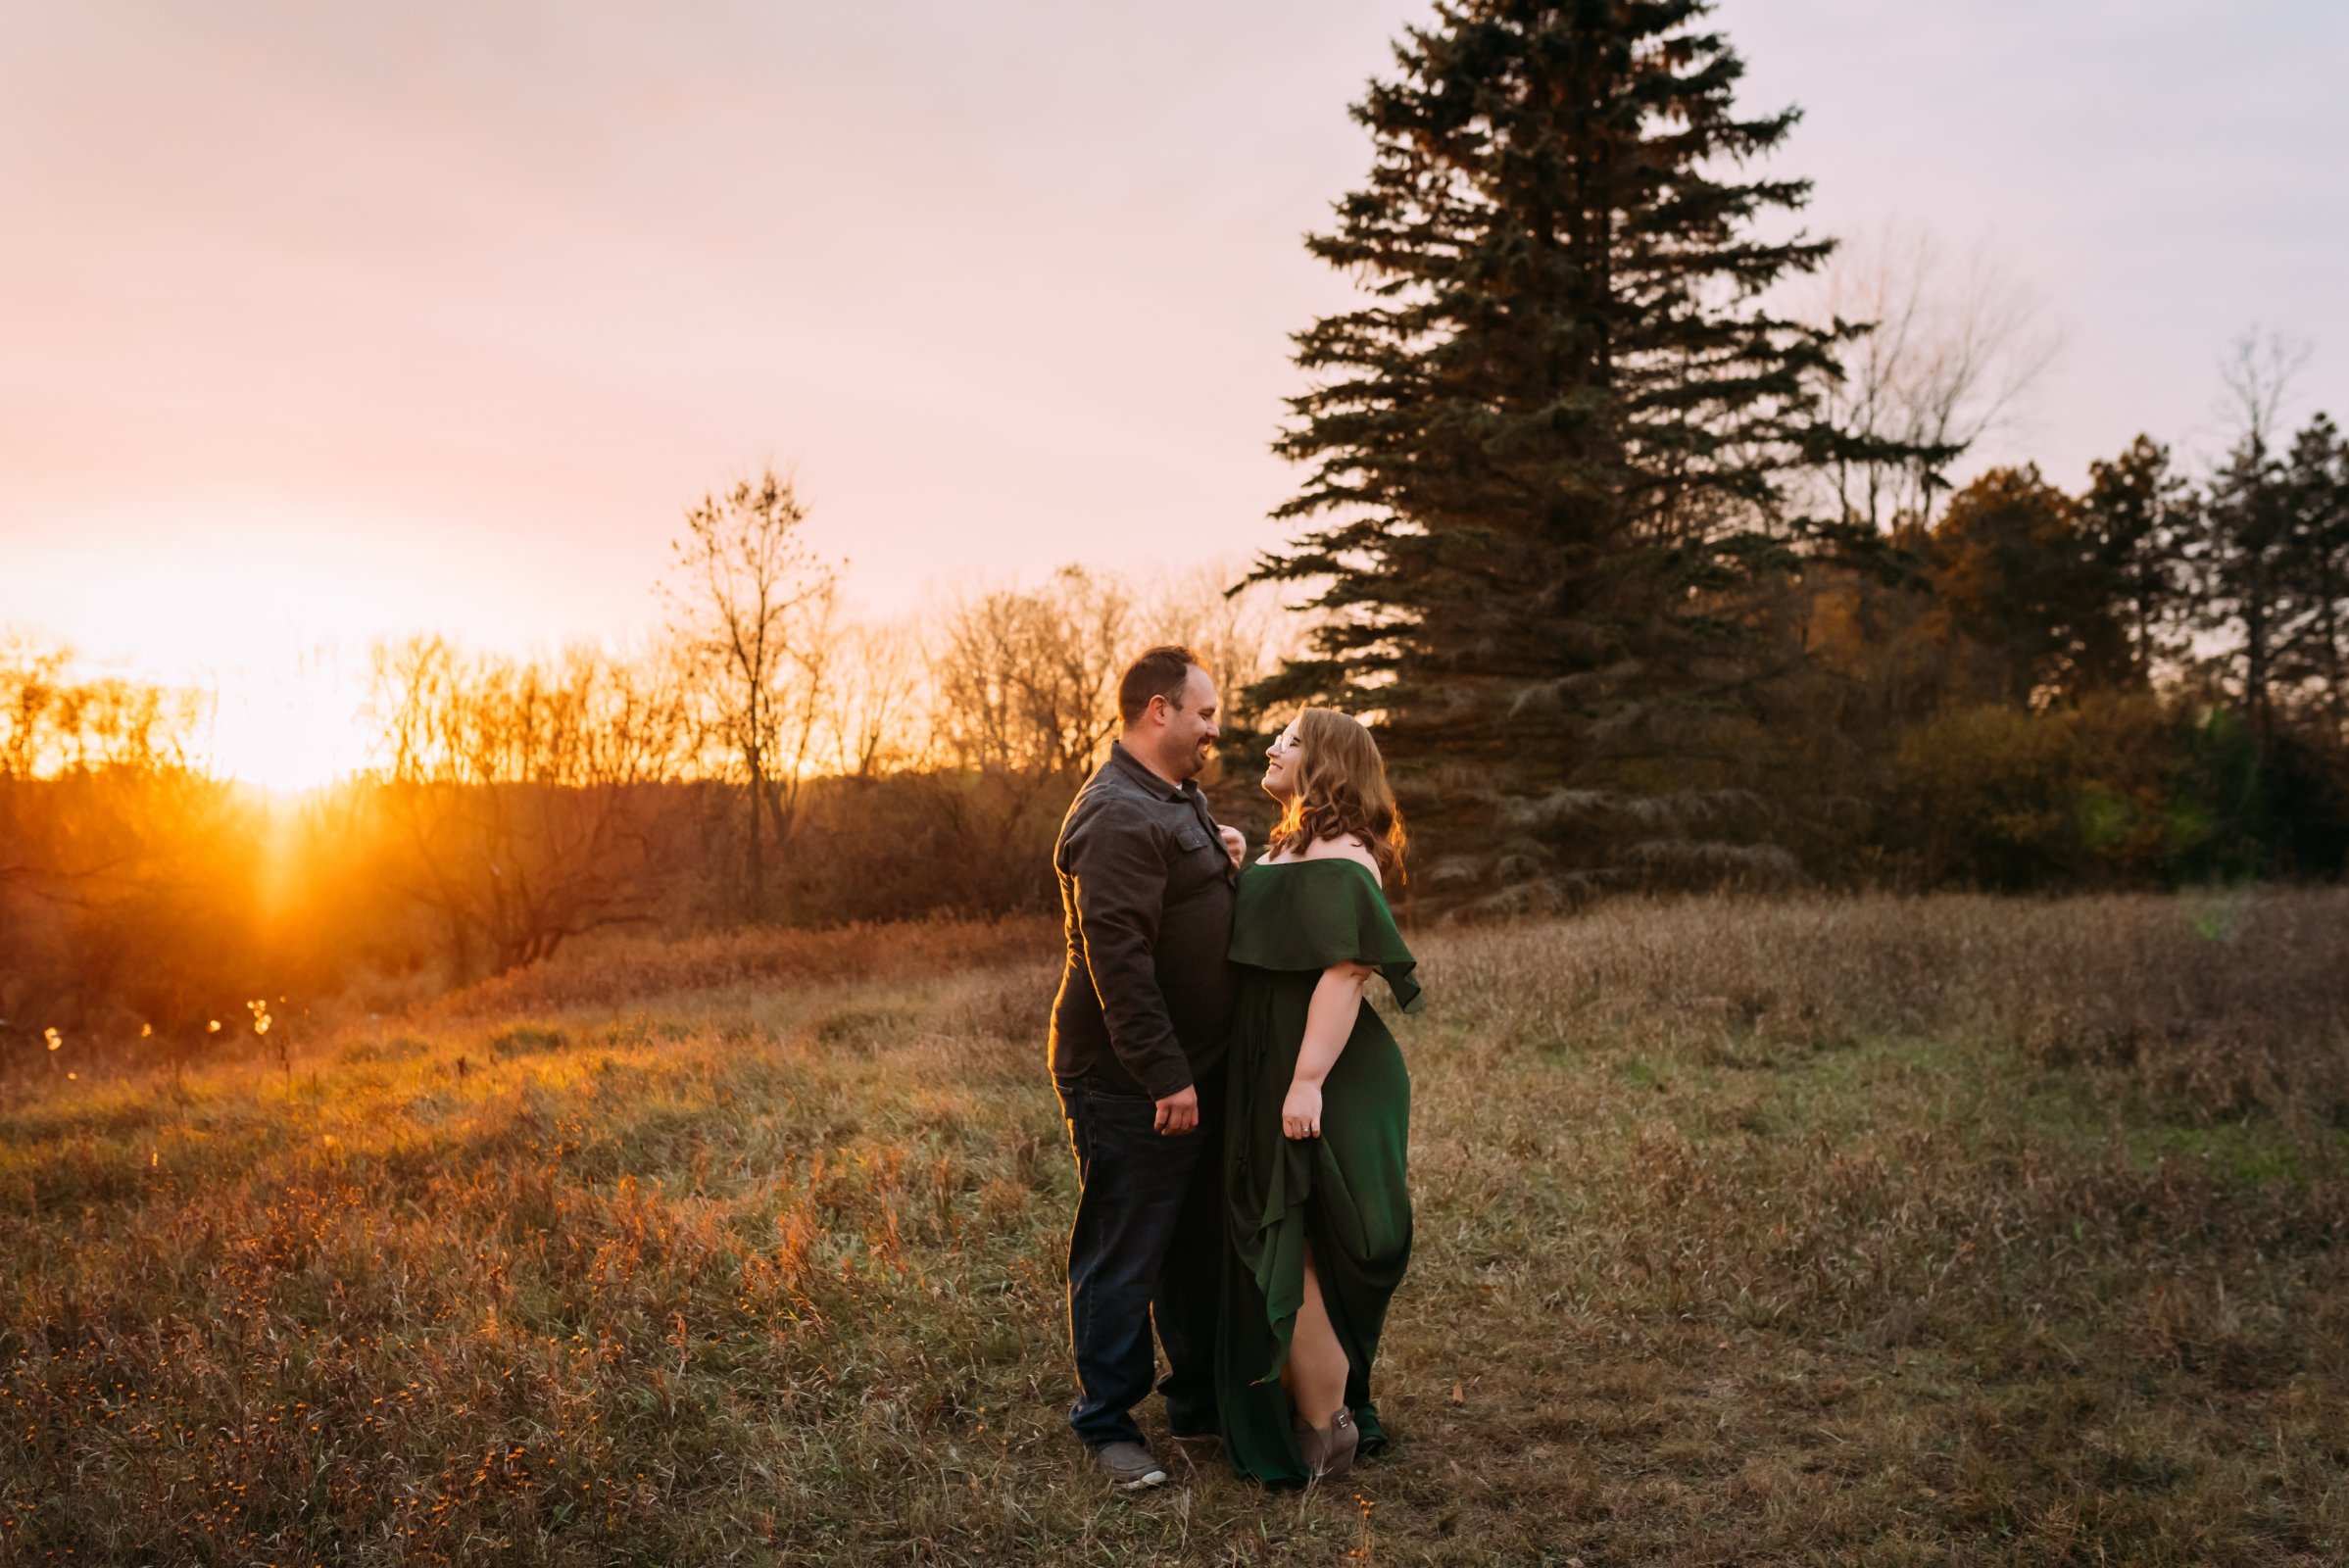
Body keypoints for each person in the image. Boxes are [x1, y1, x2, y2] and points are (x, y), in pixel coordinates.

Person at [1049, 645, 1248, 1491]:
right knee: (1125, 1251)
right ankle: (1106, 1424)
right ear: (1158, 711)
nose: (1215, 728)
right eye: (1203, 713)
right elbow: (1118, 960)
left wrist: (1223, 856)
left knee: (1193, 1246)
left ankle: (1197, 1401)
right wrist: (1165, 1076)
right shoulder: (1118, 814)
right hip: (1129, 1081)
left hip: (1190, 1073)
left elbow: (1180, 899)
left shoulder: (1170, 799)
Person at [1217, 707, 1420, 1487]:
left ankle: (1324, 1422)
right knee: (1281, 1232)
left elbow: (1343, 972)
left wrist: (1305, 1081)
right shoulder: (1284, 848)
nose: (1270, 747)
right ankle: (1320, 1414)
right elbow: (1276, 939)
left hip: (1325, 1068)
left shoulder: (1347, 856)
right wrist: (1241, 863)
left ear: (1327, 761)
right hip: (1267, 1058)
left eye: (1289, 740)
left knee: (1319, 1234)